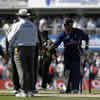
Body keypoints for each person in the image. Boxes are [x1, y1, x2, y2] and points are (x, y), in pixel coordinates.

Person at [7, 9, 39, 97]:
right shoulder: (33, 25)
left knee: (22, 70)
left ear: (19, 16)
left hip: (20, 48)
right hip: (31, 48)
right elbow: (36, 40)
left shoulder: (17, 25)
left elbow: (10, 38)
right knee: (30, 70)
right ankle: (31, 90)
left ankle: (24, 91)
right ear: (27, 16)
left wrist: (14, 44)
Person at [51, 18, 89, 93]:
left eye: (66, 25)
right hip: (67, 54)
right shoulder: (63, 33)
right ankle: (66, 88)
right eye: (64, 25)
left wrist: (86, 46)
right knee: (67, 72)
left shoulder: (78, 31)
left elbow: (86, 37)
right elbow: (56, 43)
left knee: (75, 72)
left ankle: (75, 89)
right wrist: (50, 47)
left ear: (71, 25)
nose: (65, 26)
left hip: (76, 53)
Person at [38, 18, 55, 89]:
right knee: (39, 71)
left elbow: (52, 49)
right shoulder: (40, 39)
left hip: (47, 57)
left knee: (44, 71)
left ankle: (43, 86)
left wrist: (53, 56)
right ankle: (49, 80)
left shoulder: (49, 40)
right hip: (42, 56)